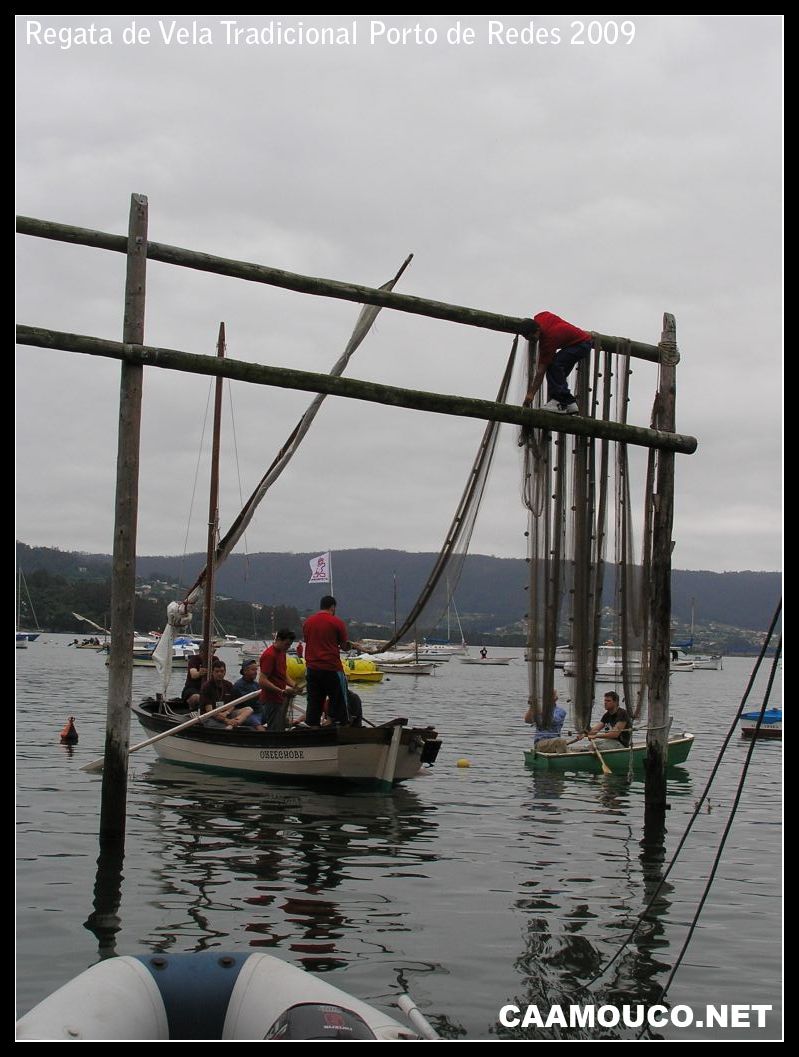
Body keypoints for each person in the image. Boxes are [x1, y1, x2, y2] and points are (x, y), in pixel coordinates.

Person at [302, 596, 370, 727]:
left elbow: (308, 641)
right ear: (333, 607)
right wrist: (351, 645)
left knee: (314, 701)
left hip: (312, 669)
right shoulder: (337, 622)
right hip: (331, 668)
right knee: (339, 699)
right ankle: (339, 725)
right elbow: (344, 646)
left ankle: (312, 727)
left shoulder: (307, 623)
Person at [522, 311, 593, 415]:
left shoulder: (548, 341)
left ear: (538, 330)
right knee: (558, 372)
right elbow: (546, 314)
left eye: (532, 338)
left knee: (553, 365)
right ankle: (569, 403)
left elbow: (541, 371)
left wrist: (531, 394)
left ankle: (562, 401)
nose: (532, 341)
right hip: (579, 343)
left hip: (581, 345)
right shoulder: (540, 317)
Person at [259, 629, 303, 731]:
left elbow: (283, 674)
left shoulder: (282, 653)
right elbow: (262, 680)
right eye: (286, 644)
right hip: (271, 699)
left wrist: (294, 685)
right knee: (275, 728)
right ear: (278, 639)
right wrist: (281, 691)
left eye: (290, 645)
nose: (288, 647)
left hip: (280, 698)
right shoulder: (269, 655)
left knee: (280, 726)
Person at [199, 659, 255, 729]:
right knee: (217, 724)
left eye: (222, 671)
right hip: (210, 716)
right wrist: (226, 720)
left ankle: (233, 724)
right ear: (212, 672)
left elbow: (233, 704)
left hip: (226, 714)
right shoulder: (207, 687)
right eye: (217, 671)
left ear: (225, 672)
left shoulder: (228, 685)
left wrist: (226, 713)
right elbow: (209, 711)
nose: (219, 674)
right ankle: (229, 727)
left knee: (248, 709)